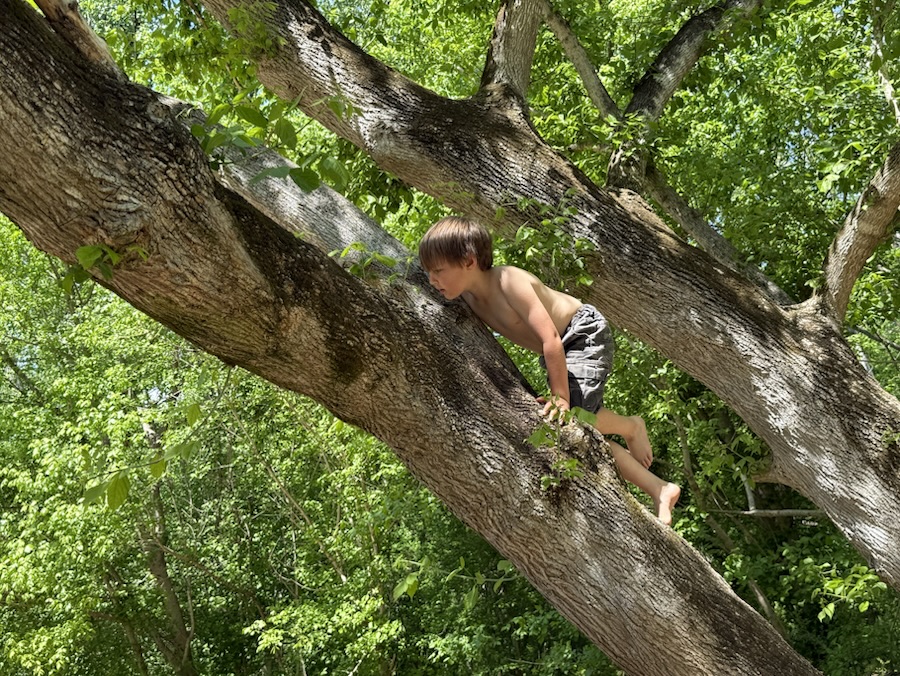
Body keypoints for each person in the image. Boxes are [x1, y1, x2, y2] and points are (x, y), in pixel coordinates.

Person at [419, 216, 681, 525]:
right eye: (428, 272)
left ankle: (638, 442)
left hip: (581, 333)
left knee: (572, 419)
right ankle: (653, 475)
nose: (432, 280)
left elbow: (551, 339)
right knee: (573, 429)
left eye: (438, 271)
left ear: (469, 261)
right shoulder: (467, 297)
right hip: (558, 351)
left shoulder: (508, 281)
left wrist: (560, 397)